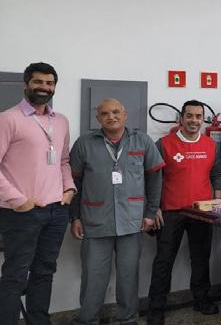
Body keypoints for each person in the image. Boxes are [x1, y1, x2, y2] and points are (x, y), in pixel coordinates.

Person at [69, 98, 164, 324]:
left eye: (115, 112)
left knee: (128, 276)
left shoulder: (142, 141)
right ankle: (87, 320)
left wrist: (150, 213)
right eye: (104, 114)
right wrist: (75, 217)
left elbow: (155, 179)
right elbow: (73, 183)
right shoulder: (84, 144)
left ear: (125, 114)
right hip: (95, 221)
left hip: (132, 220)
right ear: (98, 118)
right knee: (93, 276)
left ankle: (128, 319)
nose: (110, 117)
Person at [0, 62, 75, 325]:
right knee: (15, 275)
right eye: (38, 82)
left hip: (57, 211)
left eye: (49, 83)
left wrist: (69, 188)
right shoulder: (8, 119)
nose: (44, 87)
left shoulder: (61, 121)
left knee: (45, 271)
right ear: (26, 84)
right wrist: (18, 200)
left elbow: (63, 160)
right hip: (21, 213)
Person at [148, 100, 221, 324]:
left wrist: (217, 201)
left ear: (203, 119)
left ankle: (202, 300)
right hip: (171, 211)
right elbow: (153, 178)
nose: (194, 120)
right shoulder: (163, 144)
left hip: (201, 211)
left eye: (198, 116)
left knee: (201, 258)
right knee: (164, 261)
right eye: (189, 116)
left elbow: (217, 174)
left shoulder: (211, 145)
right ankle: (156, 310)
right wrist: (154, 207)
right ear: (181, 118)